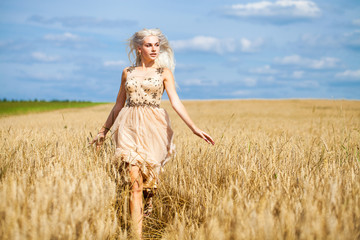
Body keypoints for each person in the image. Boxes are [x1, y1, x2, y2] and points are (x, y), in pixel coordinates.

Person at [90, 28, 215, 239]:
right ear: (139, 49)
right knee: (134, 184)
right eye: (149, 45)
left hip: (154, 127)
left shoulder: (164, 72)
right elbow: (118, 104)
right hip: (128, 125)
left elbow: (175, 102)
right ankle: (136, 236)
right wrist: (103, 132)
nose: (154, 49)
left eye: (157, 45)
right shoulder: (127, 72)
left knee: (149, 182)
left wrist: (194, 128)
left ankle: (149, 200)